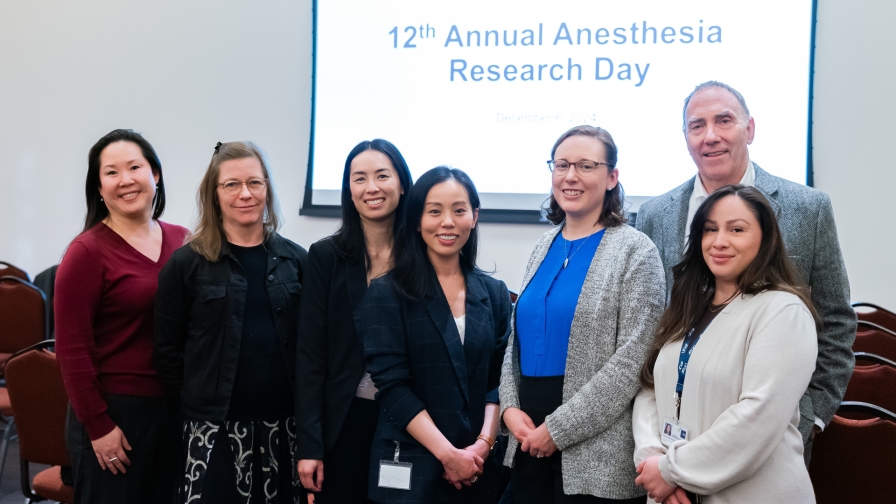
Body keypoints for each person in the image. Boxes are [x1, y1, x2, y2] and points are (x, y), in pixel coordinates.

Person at [635, 81, 856, 461]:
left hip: (769, 436)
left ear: (749, 129)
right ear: (685, 137)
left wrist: (812, 416)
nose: (711, 136)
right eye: (697, 125)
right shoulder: (655, 214)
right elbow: (651, 324)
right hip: (672, 433)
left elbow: (835, 317)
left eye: (724, 120)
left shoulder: (808, 208)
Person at [499, 125, 665, 504]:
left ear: (611, 177)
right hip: (527, 436)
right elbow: (516, 343)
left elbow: (633, 360)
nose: (570, 176)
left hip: (594, 451)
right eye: (561, 165)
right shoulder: (544, 245)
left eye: (586, 166)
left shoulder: (636, 252)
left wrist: (558, 429)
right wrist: (510, 408)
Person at [633, 185, 818, 504]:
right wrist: (654, 460)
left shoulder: (783, 312)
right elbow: (651, 389)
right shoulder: (689, 305)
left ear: (765, 239)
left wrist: (671, 470)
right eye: (710, 230)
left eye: (737, 229)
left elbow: (756, 418)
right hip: (673, 492)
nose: (719, 241)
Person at [154, 141, 307, 503]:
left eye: (255, 183)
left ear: (267, 188)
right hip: (212, 430)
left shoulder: (297, 261)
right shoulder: (185, 265)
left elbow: (312, 349)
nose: (245, 194)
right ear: (215, 194)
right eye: (232, 184)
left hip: (284, 428)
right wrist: (197, 402)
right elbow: (167, 350)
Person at [359, 167, 511, 503]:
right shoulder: (387, 293)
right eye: (434, 211)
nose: (447, 222)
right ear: (416, 220)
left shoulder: (495, 294)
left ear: (474, 216)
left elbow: (500, 379)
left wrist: (481, 448)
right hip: (411, 465)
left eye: (459, 210)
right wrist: (449, 455)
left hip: (478, 467)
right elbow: (393, 387)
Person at [56, 129, 188, 503]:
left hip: (175, 409)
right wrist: (99, 427)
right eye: (111, 172)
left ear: (155, 174)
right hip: (115, 415)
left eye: (134, 167)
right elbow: (72, 351)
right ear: (99, 187)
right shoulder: (86, 253)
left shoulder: (185, 241)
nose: (126, 180)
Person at [295, 139, 413, 503]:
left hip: (409, 421)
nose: (371, 187)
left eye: (382, 175)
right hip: (343, 422)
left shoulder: (423, 255)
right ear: (349, 189)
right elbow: (311, 357)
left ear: (403, 183)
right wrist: (310, 445)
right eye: (359, 178)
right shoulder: (326, 256)